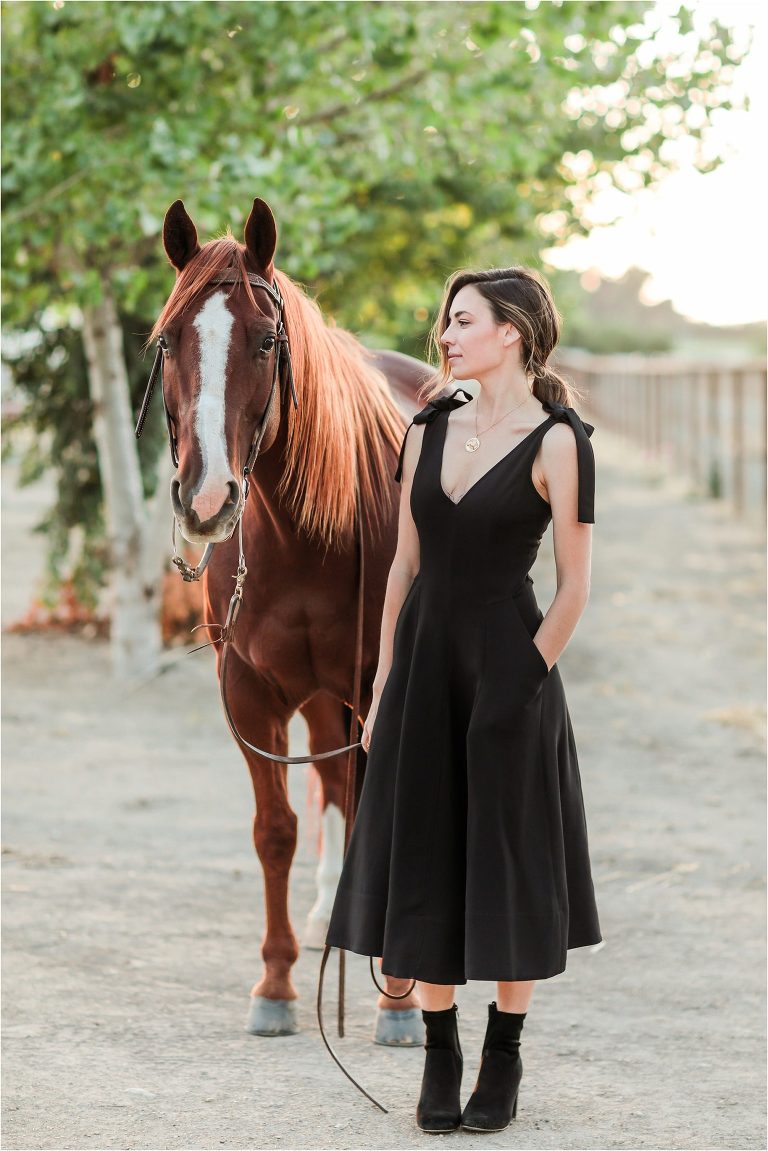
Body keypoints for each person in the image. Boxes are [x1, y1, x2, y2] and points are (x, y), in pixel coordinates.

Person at [322, 266, 602, 1133]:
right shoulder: (426, 429)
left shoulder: (561, 442)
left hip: (508, 670)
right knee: (427, 857)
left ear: (512, 331)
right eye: (446, 321)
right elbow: (404, 564)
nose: (444, 336)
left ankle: (503, 1054)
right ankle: (439, 1051)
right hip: (423, 668)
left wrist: (522, 680)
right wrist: (383, 674)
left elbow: (574, 587)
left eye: (462, 321)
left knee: (508, 862)